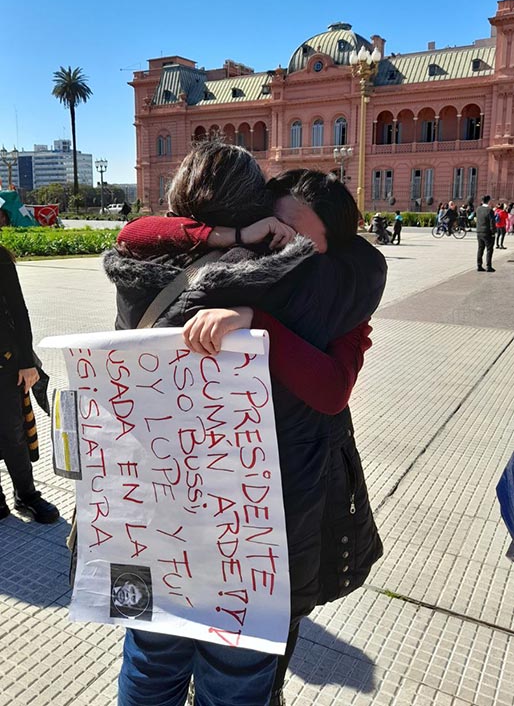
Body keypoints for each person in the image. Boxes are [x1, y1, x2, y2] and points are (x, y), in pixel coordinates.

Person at [104, 143, 385, 706]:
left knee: (148, 660)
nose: (283, 244)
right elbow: (363, 280)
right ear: (249, 212)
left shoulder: (143, 271)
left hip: (148, 517)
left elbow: (133, 232)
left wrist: (239, 274)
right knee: (235, 677)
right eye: (274, 227)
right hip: (252, 533)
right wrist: (260, 314)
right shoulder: (312, 285)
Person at [0, 245, 59, 523]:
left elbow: (18, 309)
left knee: (14, 433)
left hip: (5, 362)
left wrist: (27, 362)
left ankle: (26, 494)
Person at [476, 195, 496, 272]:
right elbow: (492, 223)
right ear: (489, 201)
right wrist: (493, 232)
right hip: (487, 232)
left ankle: (479, 265)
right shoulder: (489, 210)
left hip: (479, 232)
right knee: (489, 249)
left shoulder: (478, 209)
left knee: (480, 248)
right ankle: (488, 266)